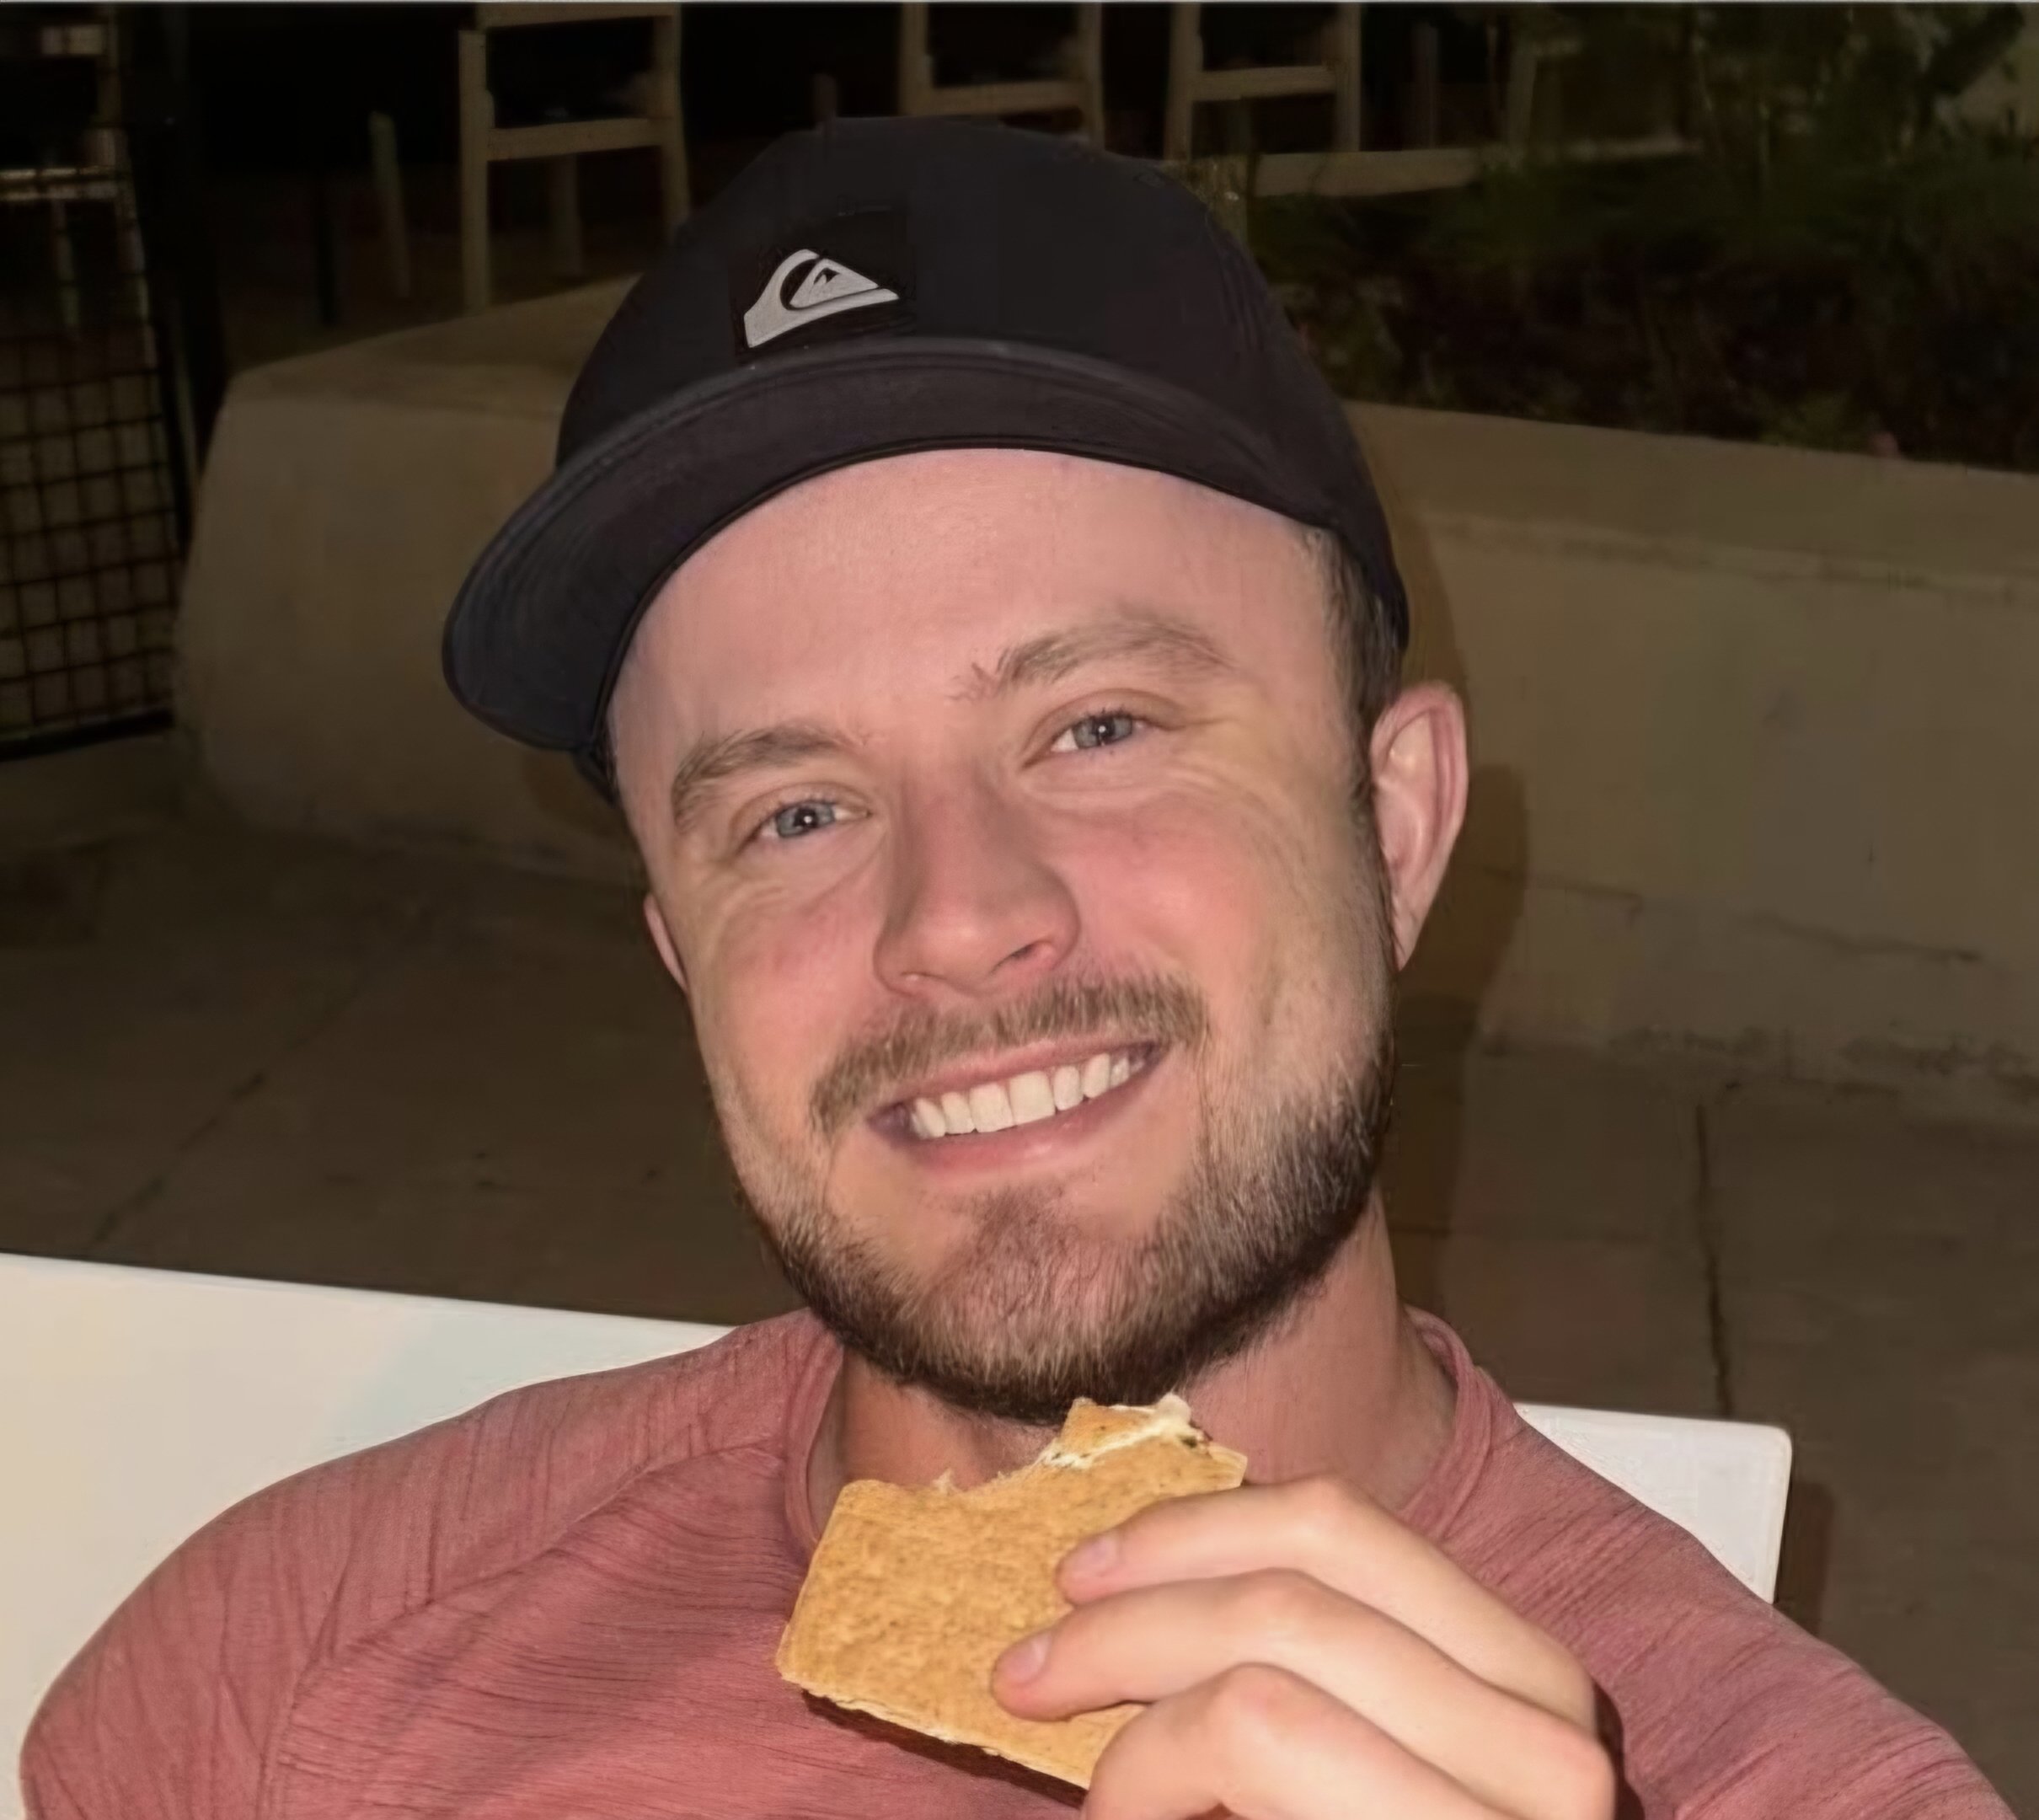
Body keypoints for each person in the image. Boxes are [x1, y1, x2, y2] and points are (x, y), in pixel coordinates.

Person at [21, 119, 2009, 1820]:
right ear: (681, 957)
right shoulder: (272, 1683)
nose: (954, 918)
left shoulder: (1778, 1788)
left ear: (1393, 829)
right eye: (792, 814)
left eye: (1101, 728)